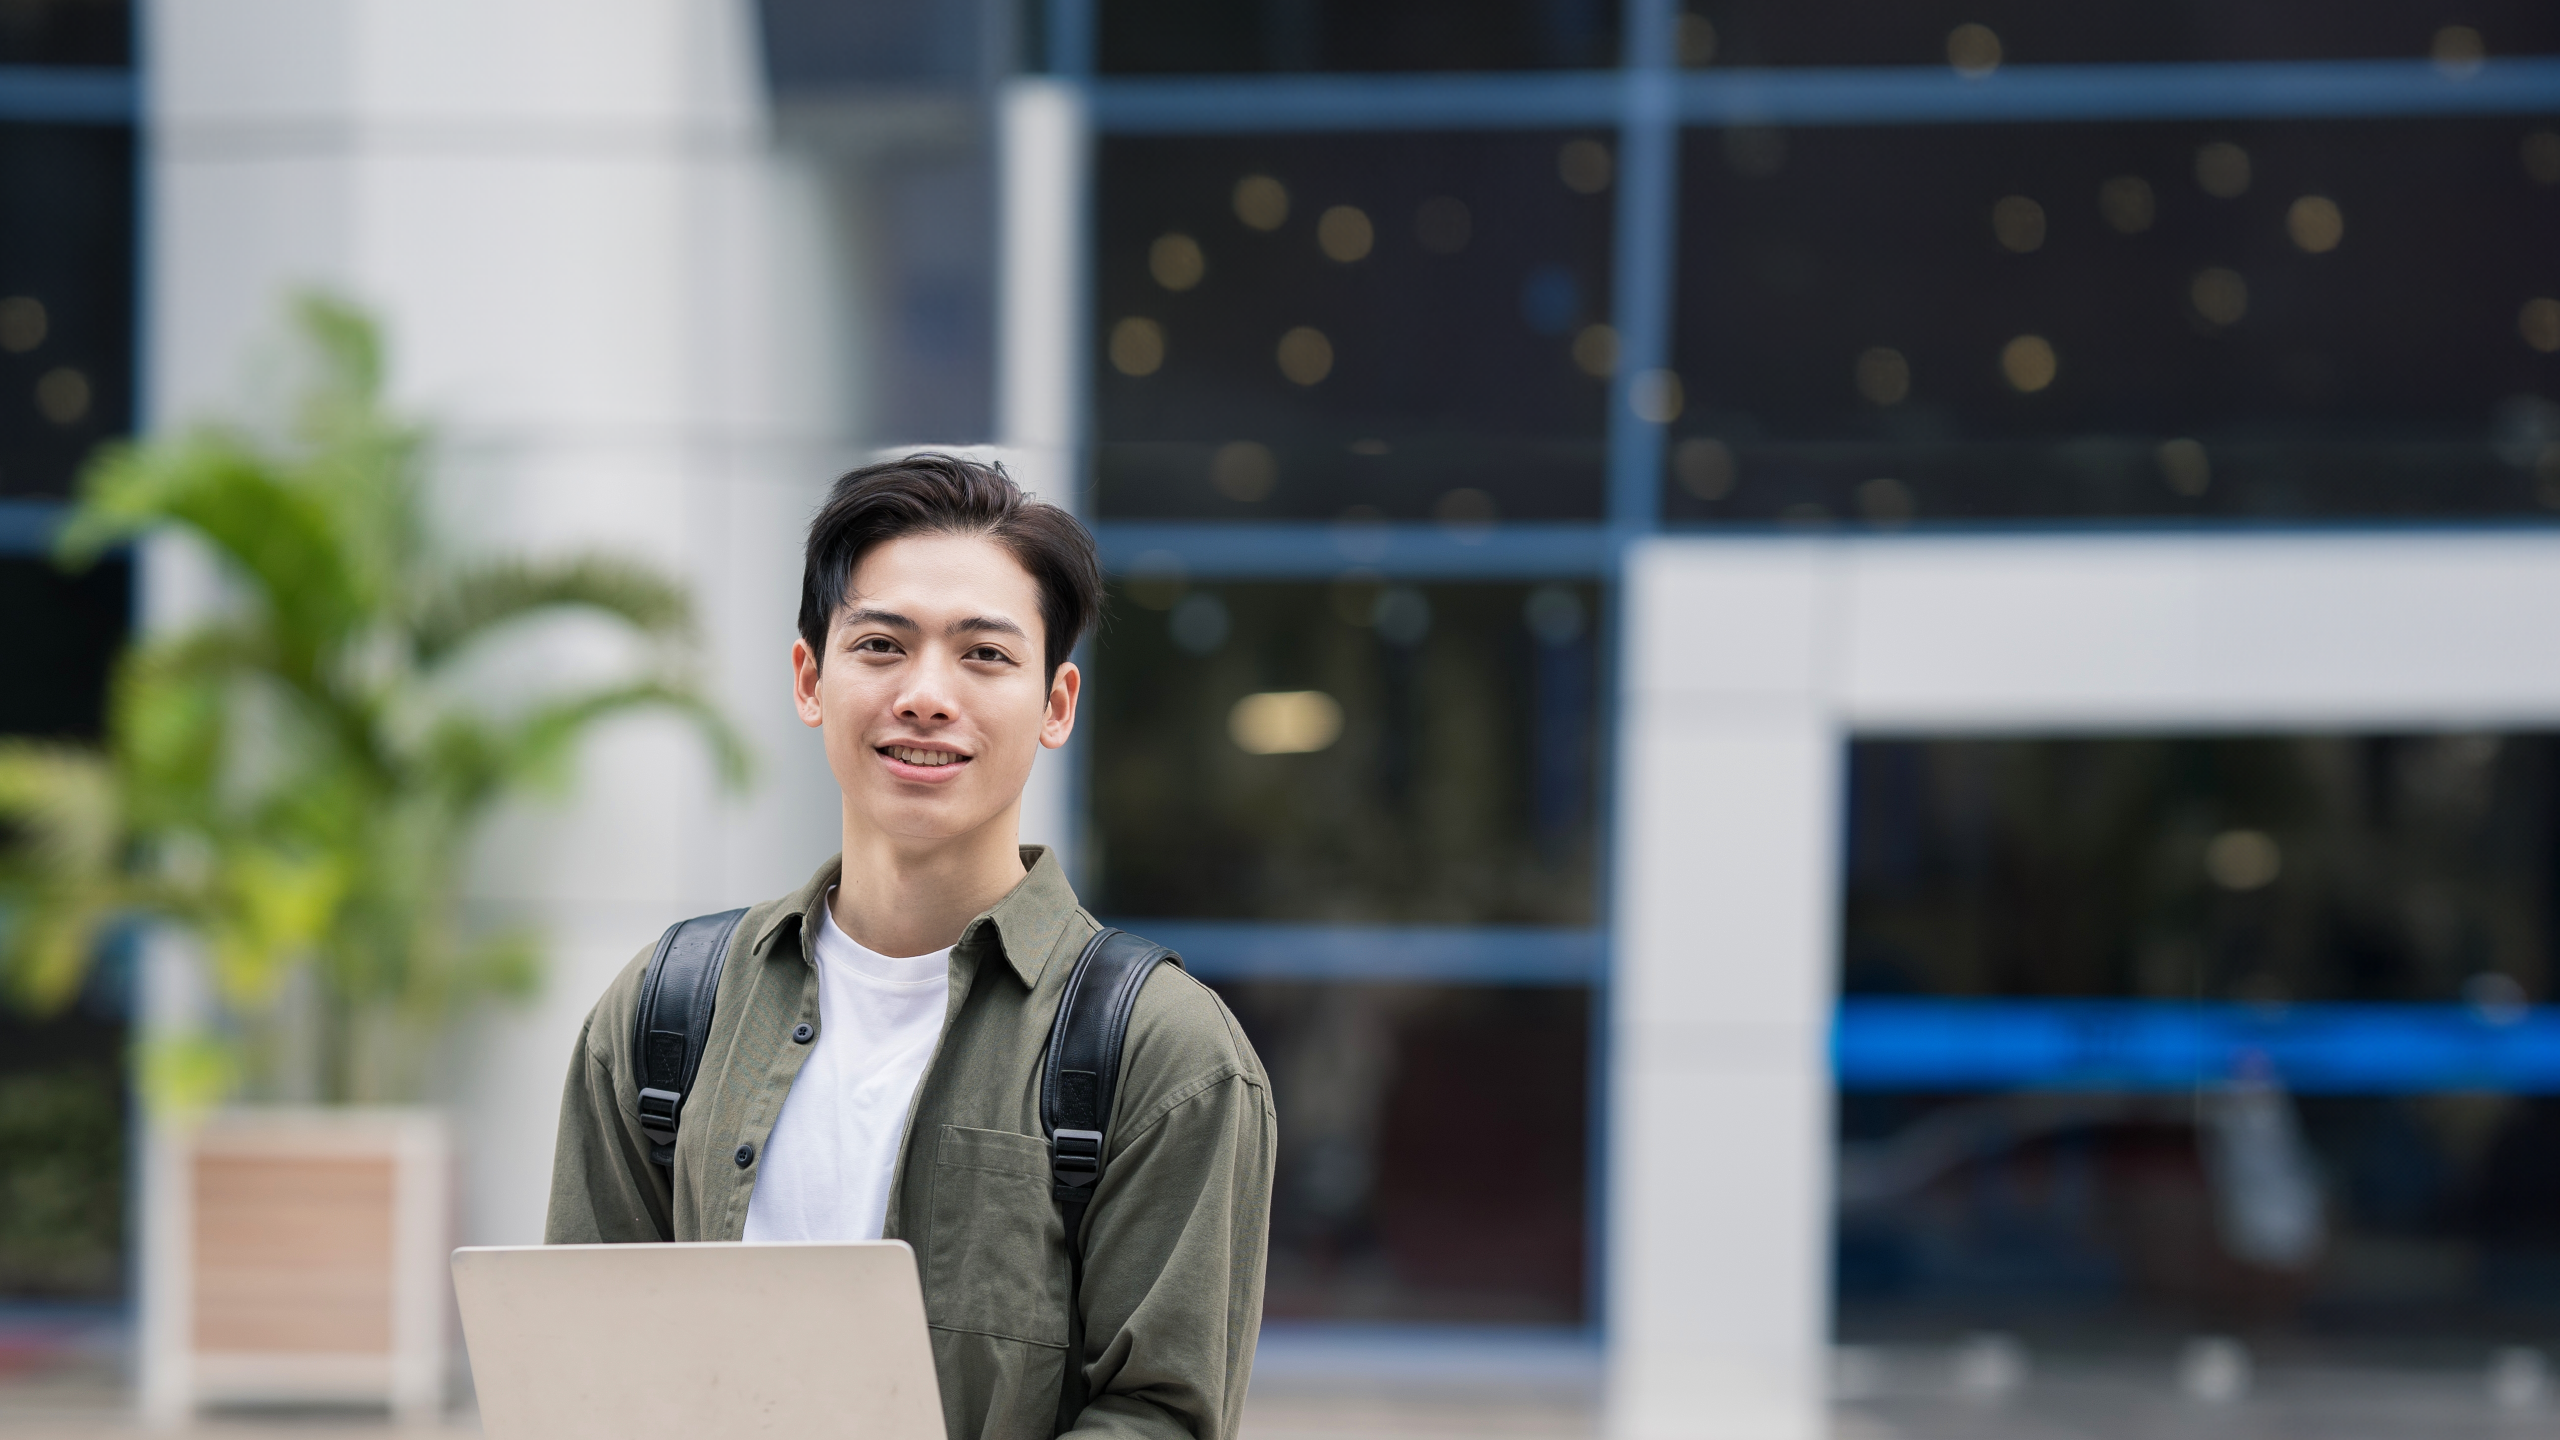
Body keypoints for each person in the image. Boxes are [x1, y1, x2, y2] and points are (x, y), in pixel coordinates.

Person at [545, 453, 1276, 1440]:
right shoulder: (667, 1012)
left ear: (1055, 704)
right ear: (810, 679)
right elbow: (588, 1372)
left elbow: (1160, 1419)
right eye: (882, 645)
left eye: (984, 655)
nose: (927, 695)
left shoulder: (1166, 1057)